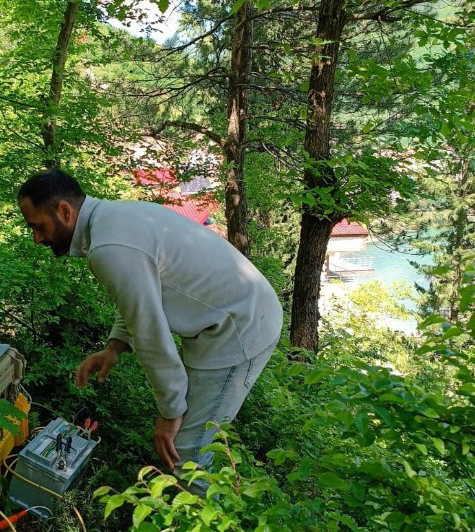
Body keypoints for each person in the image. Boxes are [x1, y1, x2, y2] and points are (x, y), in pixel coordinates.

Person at [17, 169, 282, 490]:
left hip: (239, 327)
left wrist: (170, 412)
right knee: (193, 444)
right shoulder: (114, 218)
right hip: (235, 316)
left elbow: (150, 333)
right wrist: (114, 347)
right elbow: (143, 299)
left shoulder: (107, 247)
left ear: (64, 211)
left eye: (37, 226)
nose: (37, 238)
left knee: (188, 455)